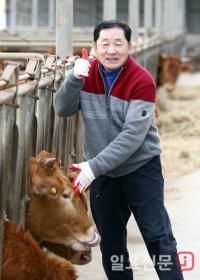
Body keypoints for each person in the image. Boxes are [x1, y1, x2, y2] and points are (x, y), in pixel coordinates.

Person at [54, 20, 184, 280]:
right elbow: (62, 109)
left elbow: (132, 137)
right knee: (111, 243)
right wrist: (73, 79)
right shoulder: (86, 73)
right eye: (105, 43)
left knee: (158, 236)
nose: (111, 50)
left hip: (140, 170)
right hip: (103, 174)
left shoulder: (142, 81)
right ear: (94, 47)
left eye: (118, 43)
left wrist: (92, 167)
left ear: (129, 47)